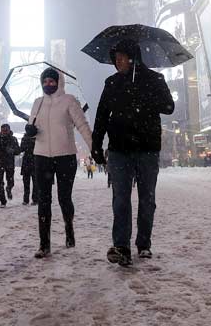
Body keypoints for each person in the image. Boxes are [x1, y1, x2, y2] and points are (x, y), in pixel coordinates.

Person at [92, 39, 174, 267]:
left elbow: (169, 106)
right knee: (120, 199)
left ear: (133, 58)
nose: (116, 62)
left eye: (120, 58)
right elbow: (101, 116)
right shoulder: (112, 83)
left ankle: (144, 243)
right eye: (114, 59)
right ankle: (121, 246)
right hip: (119, 149)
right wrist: (96, 145)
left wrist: (146, 96)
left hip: (147, 148)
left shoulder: (154, 79)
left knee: (147, 199)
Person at [27, 67, 92, 259]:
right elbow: (34, 126)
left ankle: (69, 227)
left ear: (58, 82)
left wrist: (94, 148)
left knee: (64, 198)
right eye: (45, 81)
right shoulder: (37, 103)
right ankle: (44, 244)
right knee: (43, 199)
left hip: (65, 156)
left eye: (52, 81)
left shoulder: (69, 101)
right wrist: (30, 131)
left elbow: (82, 125)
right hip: (41, 156)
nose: (48, 84)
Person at [0, 124, 20, 208]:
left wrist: (12, 151)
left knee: (11, 182)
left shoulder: (13, 139)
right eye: (3, 130)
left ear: (9, 130)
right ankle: (3, 201)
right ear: (1, 130)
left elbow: (18, 151)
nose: (4, 132)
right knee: (0, 183)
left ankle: (9, 189)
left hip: (9, 164)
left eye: (6, 130)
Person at [20, 131, 38, 205]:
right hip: (33, 161)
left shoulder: (26, 138)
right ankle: (33, 199)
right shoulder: (36, 138)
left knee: (30, 182)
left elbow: (21, 148)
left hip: (28, 162)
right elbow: (22, 148)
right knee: (33, 182)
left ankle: (28, 200)